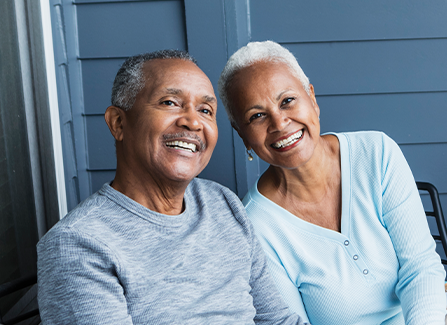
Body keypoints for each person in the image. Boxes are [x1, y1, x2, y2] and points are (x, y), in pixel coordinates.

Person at [37, 50, 308, 325]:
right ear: (119, 123)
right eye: (170, 102)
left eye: (205, 110)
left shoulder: (221, 203)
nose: (192, 121)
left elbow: (278, 320)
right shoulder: (79, 243)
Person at [218, 41, 446, 325]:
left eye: (287, 100)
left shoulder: (377, 153)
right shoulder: (256, 227)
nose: (279, 123)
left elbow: (421, 269)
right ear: (242, 134)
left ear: (312, 98)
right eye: (257, 116)